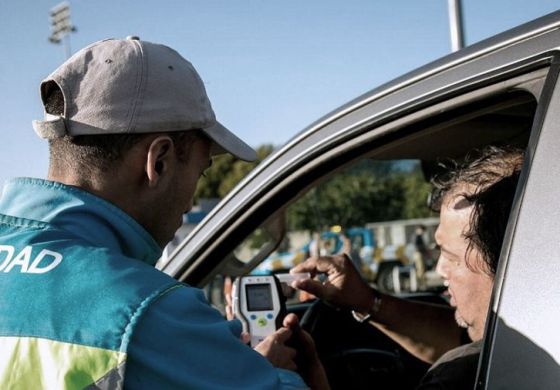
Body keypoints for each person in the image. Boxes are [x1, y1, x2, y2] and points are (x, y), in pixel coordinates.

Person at [0, 37, 328, 389]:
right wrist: (273, 373)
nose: (189, 204)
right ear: (159, 161)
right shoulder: (150, 312)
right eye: (199, 173)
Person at [290, 145, 524, 389]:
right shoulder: (520, 343)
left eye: (450, 256)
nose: (440, 269)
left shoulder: (459, 377)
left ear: (508, 263)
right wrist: (367, 301)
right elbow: (457, 339)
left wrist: (304, 379)